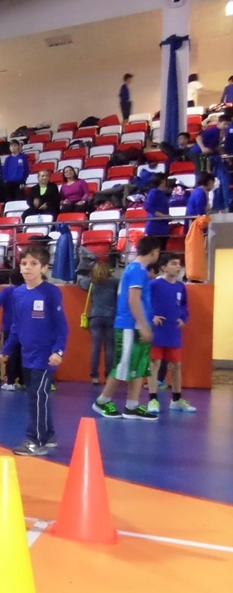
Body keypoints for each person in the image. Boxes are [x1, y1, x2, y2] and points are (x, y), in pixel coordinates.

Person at [1, 248, 68, 456]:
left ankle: (35, 440)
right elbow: (16, 325)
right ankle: (48, 435)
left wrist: (58, 351)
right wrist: (8, 348)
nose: (27, 268)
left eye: (33, 264)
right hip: (27, 354)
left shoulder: (51, 292)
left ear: (44, 268)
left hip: (45, 355)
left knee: (37, 397)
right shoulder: (17, 293)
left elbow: (62, 326)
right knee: (37, 396)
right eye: (24, 264)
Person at [92, 235, 161, 420]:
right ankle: (102, 401)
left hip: (136, 325)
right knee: (122, 365)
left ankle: (132, 405)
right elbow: (133, 299)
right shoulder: (137, 270)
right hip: (130, 326)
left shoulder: (137, 270)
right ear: (154, 251)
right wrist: (144, 325)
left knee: (138, 366)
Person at [147, 253, 196, 414]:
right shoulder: (154, 285)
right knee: (154, 364)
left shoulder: (181, 287)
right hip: (158, 332)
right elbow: (144, 303)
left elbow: (184, 306)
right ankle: (153, 399)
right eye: (173, 263)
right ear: (163, 267)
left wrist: (183, 318)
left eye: (179, 264)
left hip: (173, 332)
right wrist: (151, 317)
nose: (178, 266)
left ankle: (176, 399)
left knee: (176, 365)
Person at [78, 262, 118, 385]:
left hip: (95, 316)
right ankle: (109, 375)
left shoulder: (91, 282)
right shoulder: (114, 282)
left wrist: (91, 275)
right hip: (111, 316)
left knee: (96, 347)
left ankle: (94, 376)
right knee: (110, 348)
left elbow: (80, 281)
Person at [0, 271, 25, 391]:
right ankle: (23, 381)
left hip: (9, 326)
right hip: (24, 328)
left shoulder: (7, 291)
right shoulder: (27, 290)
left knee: (10, 355)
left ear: (10, 280)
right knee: (22, 355)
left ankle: (10, 382)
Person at [142, 173, 172, 250]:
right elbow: (148, 207)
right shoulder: (154, 192)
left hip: (162, 228)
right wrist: (163, 216)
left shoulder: (162, 194)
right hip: (155, 228)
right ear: (162, 181)